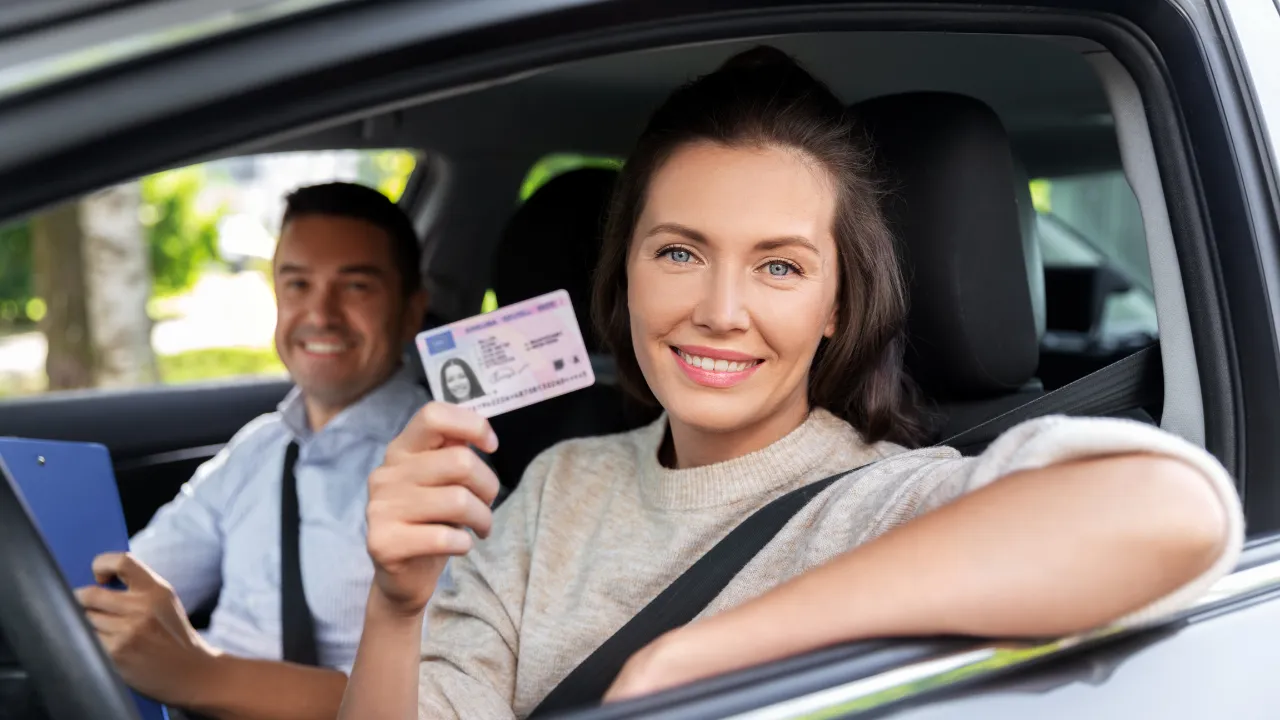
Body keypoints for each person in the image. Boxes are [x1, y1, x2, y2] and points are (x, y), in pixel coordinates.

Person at [337, 48, 1244, 720]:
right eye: (680, 252)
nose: (720, 311)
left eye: (779, 267)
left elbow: (1174, 507)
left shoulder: (886, 503)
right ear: (625, 274)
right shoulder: (556, 488)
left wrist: (692, 661)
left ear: (837, 306)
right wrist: (398, 607)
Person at [74, 182, 431, 720]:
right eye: (298, 284)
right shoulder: (259, 448)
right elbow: (126, 579)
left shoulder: (438, 465)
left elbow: (434, 695)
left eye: (356, 286)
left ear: (410, 312)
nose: (321, 314)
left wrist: (198, 673)